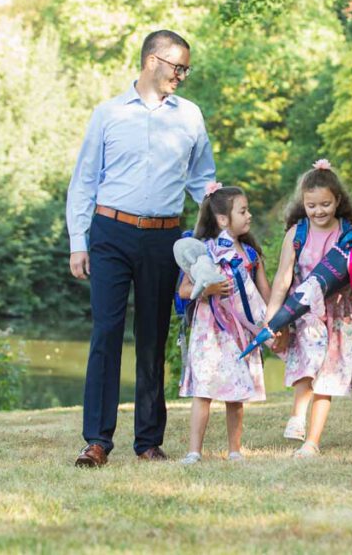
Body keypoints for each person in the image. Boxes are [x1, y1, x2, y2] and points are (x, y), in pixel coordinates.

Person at [66, 30, 215, 467]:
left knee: (152, 337)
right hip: (110, 233)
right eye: (177, 67)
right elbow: (85, 182)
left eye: (186, 68)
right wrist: (79, 242)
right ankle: (96, 441)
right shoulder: (108, 114)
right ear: (153, 61)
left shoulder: (190, 116)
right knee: (106, 333)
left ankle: (149, 441)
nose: (182, 76)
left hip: (164, 238)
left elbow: (202, 182)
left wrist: (215, 233)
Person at [266, 159, 352, 458]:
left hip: (339, 315)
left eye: (325, 204)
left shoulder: (349, 233)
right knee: (307, 365)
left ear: (337, 201)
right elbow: (283, 278)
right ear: (303, 204)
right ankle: (297, 414)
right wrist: (272, 318)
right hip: (305, 313)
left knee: (328, 377)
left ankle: (312, 441)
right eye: (312, 205)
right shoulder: (297, 234)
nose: (319, 211)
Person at [178, 184, 271, 465]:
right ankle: (194, 451)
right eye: (242, 211)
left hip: (240, 332)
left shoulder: (251, 254)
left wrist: (274, 322)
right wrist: (209, 289)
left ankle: (234, 450)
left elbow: (265, 292)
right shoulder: (204, 251)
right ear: (222, 219)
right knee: (203, 391)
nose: (249, 215)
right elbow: (185, 290)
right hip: (210, 332)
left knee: (236, 393)